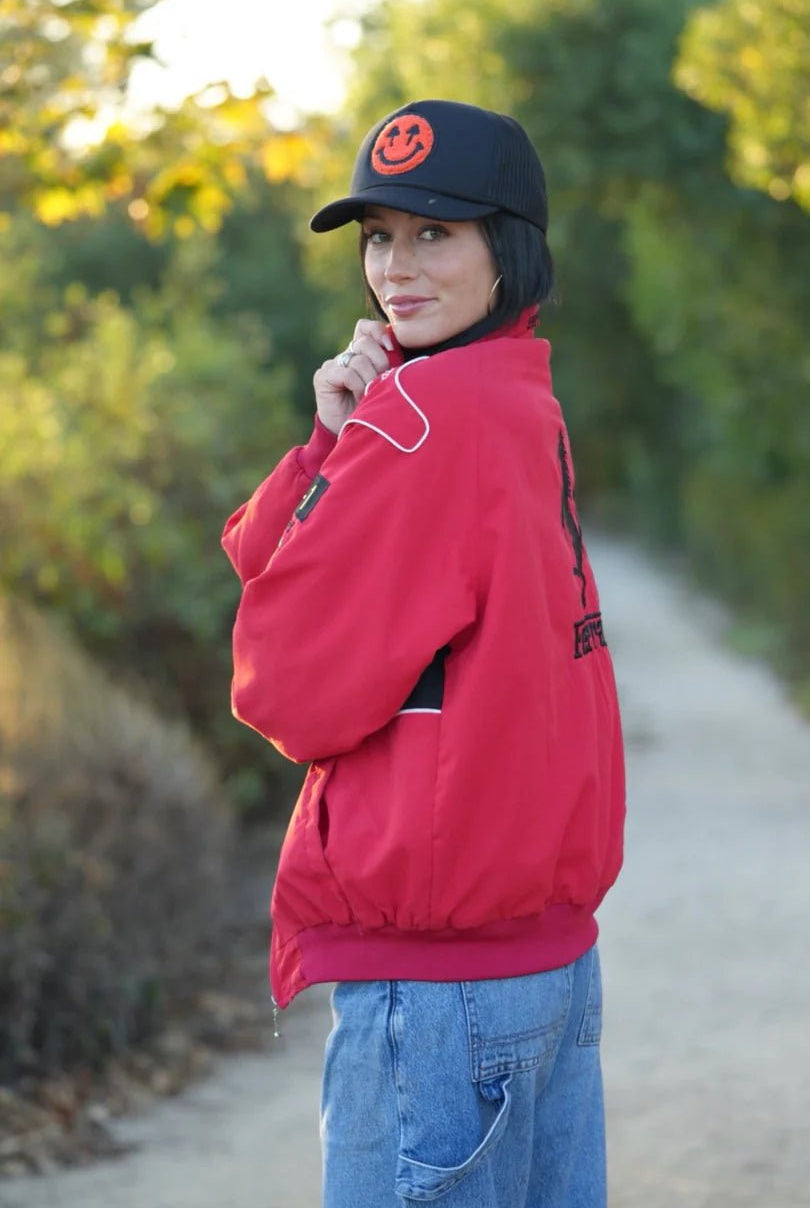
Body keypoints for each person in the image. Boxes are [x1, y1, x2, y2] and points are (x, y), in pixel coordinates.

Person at [222, 98, 626, 1208]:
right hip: (549, 970)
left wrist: (357, 439)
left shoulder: (423, 416)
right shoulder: (518, 396)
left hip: (439, 990)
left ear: (510, 246)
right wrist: (330, 439)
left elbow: (285, 684)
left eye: (435, 232)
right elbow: (270, 556)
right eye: (379, 237)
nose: (396, 269)